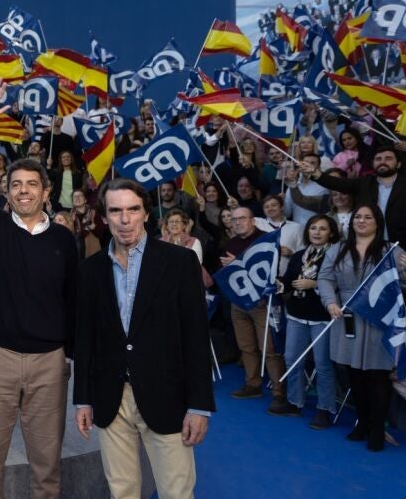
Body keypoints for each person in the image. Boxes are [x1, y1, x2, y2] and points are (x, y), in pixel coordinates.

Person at [0, 79, 79, 498]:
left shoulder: (64, 239)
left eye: (32, 184)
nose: (23, 190)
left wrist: (69, 354)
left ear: (46, 192)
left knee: (47, 469)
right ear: (6, 191)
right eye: (16, 185)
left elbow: (73, 299)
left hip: (50, 364)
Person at [75, 178, 214, 499]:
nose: (125, 220)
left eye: (133, 210)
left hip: (167, 396)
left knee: (176, 492)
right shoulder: (90, 270)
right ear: (104, 216)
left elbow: (196, 336)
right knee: (121, 491)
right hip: (111, 397)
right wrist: (83, 398)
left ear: (147, 214)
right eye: (115, 211)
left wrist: (199, 406)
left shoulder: (180, 262)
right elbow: (86, 338)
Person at [317, 204, 406, 451]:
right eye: (357, 217)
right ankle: (362, 423)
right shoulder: (338, 249)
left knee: (378, 376)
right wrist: (330, 302)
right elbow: (325, 278)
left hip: (381, 320)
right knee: (355, 376)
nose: (361, 221)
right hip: (348, 317)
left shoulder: (391, 250)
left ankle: (377, 429)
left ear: (377, 223)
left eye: (368, 217)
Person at [221, 206, 294, 414]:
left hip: (262, 302)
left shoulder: (266, 240)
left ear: (253, 220)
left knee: (269, 349)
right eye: (234, 219)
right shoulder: (231, 243)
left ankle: (279, 392)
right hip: (238, 301)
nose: (237, 222)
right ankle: (252, 384)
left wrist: (237, 263)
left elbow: (269, 270)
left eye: (241, 218)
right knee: (246, 346)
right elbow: (227, 271)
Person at [280, 214, 340, 429]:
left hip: (322, 317)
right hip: (296, 314)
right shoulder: (299, 255)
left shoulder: (336, 256)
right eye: (313, 228)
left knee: (323, 365)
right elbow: (288, 282)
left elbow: (340, 285)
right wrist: (278, 284)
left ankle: (324, 409)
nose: (317, 232)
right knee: (292, 359)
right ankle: (294, 402)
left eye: (322, 229)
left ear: (331, 233)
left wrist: (314, 284)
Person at [305, 145, 406, 248]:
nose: (382, 162)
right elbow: (336, 183)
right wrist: (315, 173)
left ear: (398, 164)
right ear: (373, 163)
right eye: (378, 159)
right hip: (367, 246)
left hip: (402, 245)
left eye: (388, 158)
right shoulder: (364, 183)